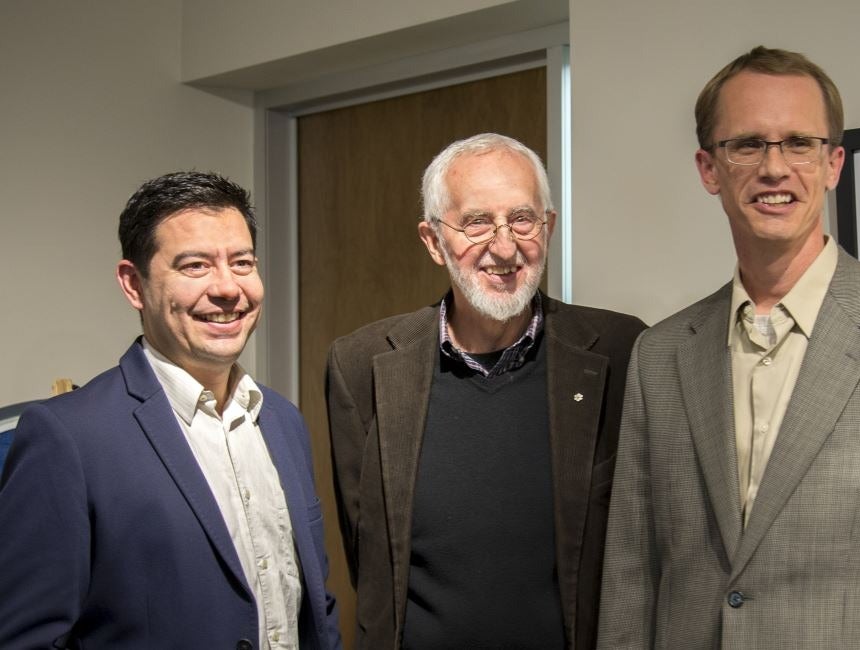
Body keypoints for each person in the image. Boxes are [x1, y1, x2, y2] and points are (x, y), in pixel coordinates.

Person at [598, 46, 860, 649]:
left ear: (833, 164)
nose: (775, 168)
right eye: (747, 144)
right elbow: (634, 576)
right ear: (709, 169)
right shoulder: (660, 355)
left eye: (799, 143)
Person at [326, 133, 646, 649]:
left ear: (550, 227)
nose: (504, 246)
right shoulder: (362, 365)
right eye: (477, 222)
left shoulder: (621, 352)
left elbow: (644, 548)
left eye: (523, 219)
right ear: (433, 241)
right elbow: (371, 564)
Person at [0, 171, 342, 650]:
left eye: (242, 262)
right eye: (195, 265)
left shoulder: (282, 420)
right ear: (133, 284)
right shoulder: (68, 438)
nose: (228, 288)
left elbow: (314, 606)